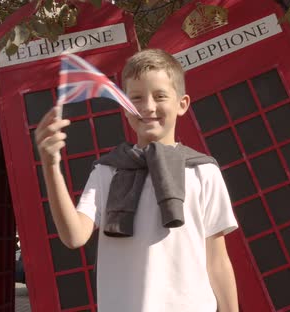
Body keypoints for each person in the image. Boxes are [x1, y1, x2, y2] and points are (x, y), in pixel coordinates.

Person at [35, 49, 239, 312]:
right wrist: (51, 165)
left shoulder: (204, 172)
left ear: (182, 104)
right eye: (137, 98)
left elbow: (217, 260)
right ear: (125, 108)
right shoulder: (107, 171)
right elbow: (74, 236)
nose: (148, 107)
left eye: (160, 96)